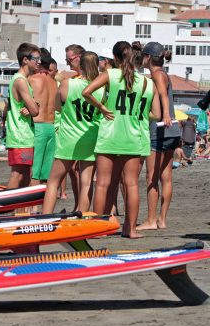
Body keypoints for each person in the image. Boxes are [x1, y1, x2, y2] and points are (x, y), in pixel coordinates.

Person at [82, 41, 161, 238]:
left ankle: (98, 229)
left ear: (115, 58)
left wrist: (102, 108)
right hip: (133, 136)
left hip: (110, 133)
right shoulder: (146, 82)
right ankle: (131, 229)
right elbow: (157, 114)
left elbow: (86, 92)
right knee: (131, 184)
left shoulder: (110, 75)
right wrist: (139, 113)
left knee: (102, 183)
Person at [42, 51, 102, 214]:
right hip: (90, 135)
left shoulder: (68, 84)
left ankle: (46, 216)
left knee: (53, 181)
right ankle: (81, 217)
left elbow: (57, 107)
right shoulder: (100, 88)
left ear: (80, 65)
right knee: (87, 182)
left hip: (68, 136)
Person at [136, 42, 180, 231]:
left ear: (147, 57)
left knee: (151, 177)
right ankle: (161, 220)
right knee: (166, 177)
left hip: (160, 129)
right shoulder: (163, 74)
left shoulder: (157, 75)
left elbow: (162, 96)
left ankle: (152, 220)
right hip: (171, 132)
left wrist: (166, 116)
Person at [4, 43, 40, 189]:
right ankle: (10, 207)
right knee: (18, 174)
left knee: (25, 173)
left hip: (22, 134)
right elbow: (35, 110)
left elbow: (31, 107)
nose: (39, 62)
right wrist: (34, 106)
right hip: (21, 135)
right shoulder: (20, 80)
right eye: (36, 59)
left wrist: (32, 106)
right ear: (25, 59)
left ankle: (20, 210)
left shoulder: (20, 79)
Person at [28, 48, 57, 187]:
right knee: (46, 175)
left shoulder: (32, 79)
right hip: (51, 127)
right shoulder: (53, 83)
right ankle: (41, 207)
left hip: (38, 126)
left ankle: (30, 208)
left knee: (34, 172)